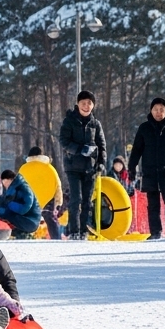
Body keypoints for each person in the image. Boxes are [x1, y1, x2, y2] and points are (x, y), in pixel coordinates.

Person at [128, 97, 165, 239]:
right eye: (156, 109)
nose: (158, 112)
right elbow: (136, 149)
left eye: (161, 110)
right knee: (153, 205)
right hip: (150, 173)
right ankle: (156, 232)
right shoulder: (144, 128)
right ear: (151, 110)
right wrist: (131, 167)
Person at [58, 90, 106, 239]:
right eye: (83, 103)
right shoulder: (70, 121)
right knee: (75, 199)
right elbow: (64, 141)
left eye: (89, 103)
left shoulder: (95, 124)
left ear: (93, 106)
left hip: (90, 168)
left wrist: (101, 163)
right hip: (73, 167)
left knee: (87, 201)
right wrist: (79, 149)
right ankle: (74, 231)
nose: (86, 106)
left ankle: (84, 231)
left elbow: (101, 145)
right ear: (78, 104)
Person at [25, 146, 64, 239]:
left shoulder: (24, 168)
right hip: (48, 200)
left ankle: (24, 237)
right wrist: (58, 201)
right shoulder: (49, 168)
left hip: (31, 201)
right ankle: (57, 239)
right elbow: (57, 185)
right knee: (51, 220)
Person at [0, 170, 41, 239]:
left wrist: (9, 205)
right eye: (3, 182)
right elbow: (4, 199)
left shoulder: (25, 189)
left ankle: (18, 232)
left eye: (5, 182)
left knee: (4, 213)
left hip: (31, 221)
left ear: (11, 180)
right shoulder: (12, 189)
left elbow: (25, 208)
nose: (5, 184)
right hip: (22, 218)